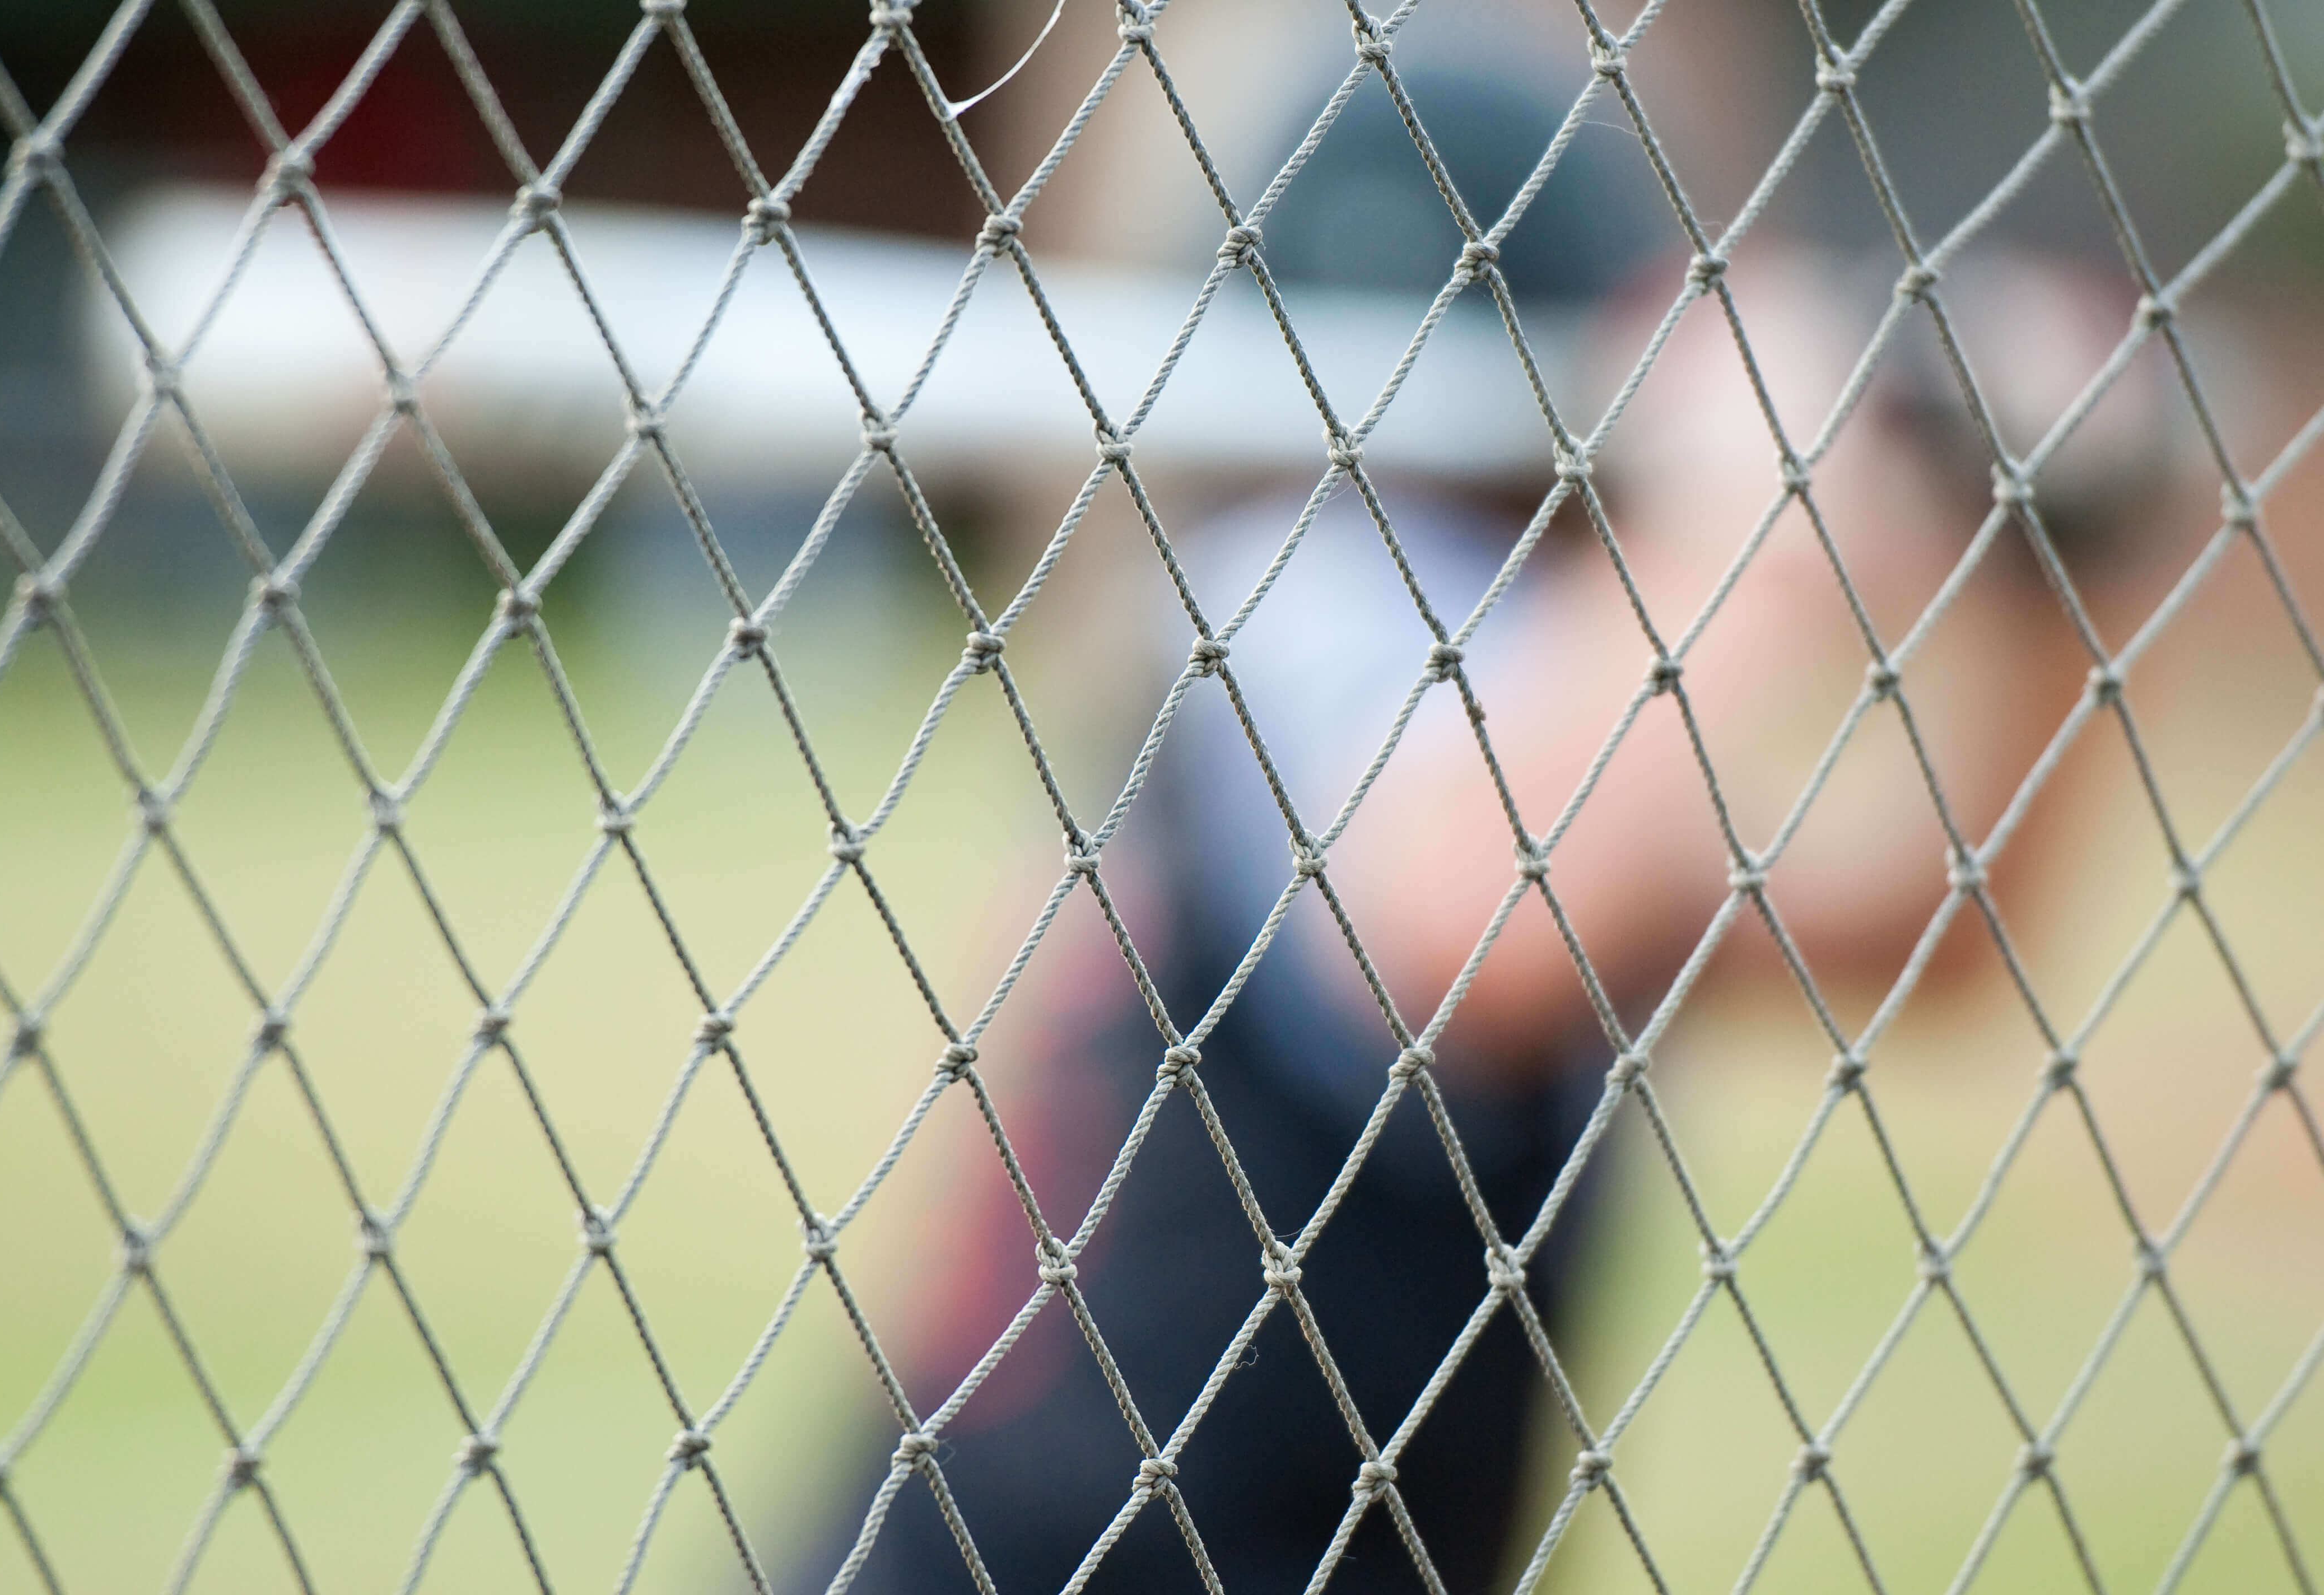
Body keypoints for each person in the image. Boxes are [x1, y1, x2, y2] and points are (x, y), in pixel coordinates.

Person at [837, 57, 2174, 1595]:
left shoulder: (1532, 704)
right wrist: (1751, 522)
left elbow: (1925, 936)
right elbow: (1465, 932)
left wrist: (2056, 566)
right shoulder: (1303, 594)